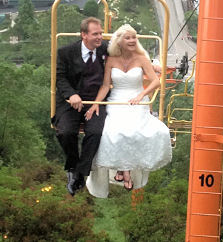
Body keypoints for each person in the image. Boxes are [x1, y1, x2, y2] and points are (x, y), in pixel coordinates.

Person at [85, 24, 172, 198]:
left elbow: (156, 82)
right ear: (119, 41)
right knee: (113, 132)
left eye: (134, 37)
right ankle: (124, 170)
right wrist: (96, 103)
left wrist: (141, 95)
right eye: (128, 38)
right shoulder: (111, 60)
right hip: (117, 100)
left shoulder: (141, 58)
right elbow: (105, 85)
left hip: (136, 99)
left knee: (135, 132)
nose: (132, 41)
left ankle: (124, 170)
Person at [52, 17, 108, 196]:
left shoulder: (105, 50)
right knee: (66, 132)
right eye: (95, 34)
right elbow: (59, 77)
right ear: (84, 35)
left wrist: (150, 65)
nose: (100, 37)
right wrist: (71, 94)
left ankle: (80, 173)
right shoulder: (66, 52)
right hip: (72, 102)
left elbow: (129, 53)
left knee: (95, 133)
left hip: (95, 101)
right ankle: (73, 167)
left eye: (100, 33)